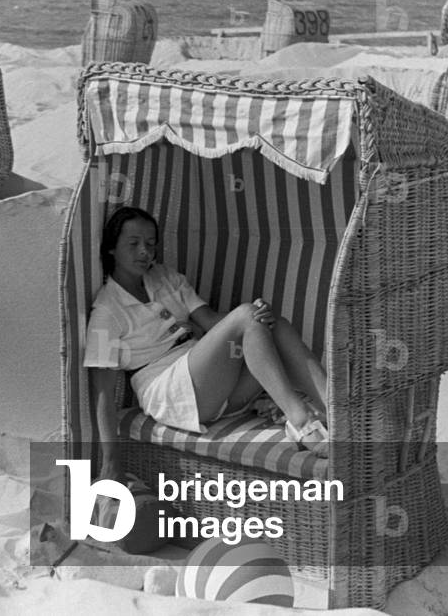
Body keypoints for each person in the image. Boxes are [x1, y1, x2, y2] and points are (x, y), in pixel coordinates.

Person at [84, 206, 329, 481]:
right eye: (134, 244)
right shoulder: (106, 311)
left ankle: (335, 408)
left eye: (151, 244)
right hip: (169, 391)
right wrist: (110, 461)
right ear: (111, 249)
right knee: (248, 316)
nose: (145, 251)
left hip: (214, 384)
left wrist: (258, 314)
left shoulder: (165, 278)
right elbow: (102, 392)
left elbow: (211, 321)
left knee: (272, 323)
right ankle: (301, 419)